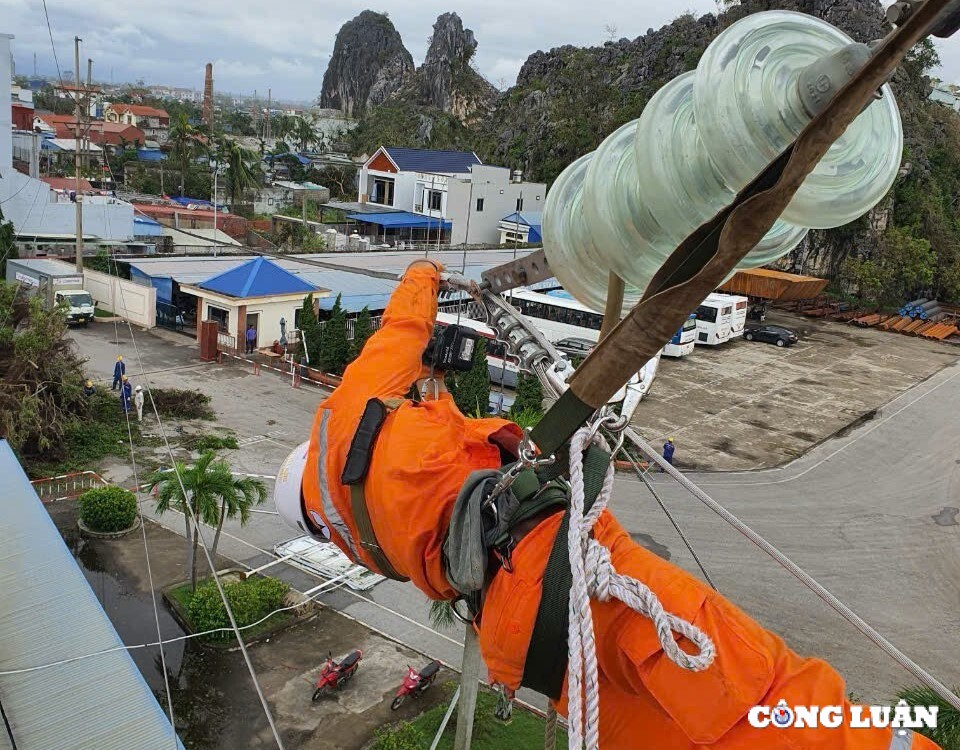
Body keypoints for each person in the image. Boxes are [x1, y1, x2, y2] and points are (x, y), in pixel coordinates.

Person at [275, 261, 939, 750]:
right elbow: (403, 328)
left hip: (519, 639)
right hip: (553, 568)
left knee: (656, 736)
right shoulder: (342, 419)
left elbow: (423, 507)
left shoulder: (360, 541)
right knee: (761, 696)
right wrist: (423, 274)